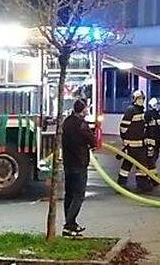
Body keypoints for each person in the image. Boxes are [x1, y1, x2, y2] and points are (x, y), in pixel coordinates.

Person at [60, 98, 96, 237]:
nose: (87, 110)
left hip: (68, 163)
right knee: (78, 195)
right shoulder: (81, 124)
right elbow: (92, 140)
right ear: (82, 110)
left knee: (69, 194)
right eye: (86, 108)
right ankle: (69, 224)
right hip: (79, 164)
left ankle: (70, 223)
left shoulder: (67, 122)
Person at [117, 89, 148, 189]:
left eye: (142, 98)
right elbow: (123, 127)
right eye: (139, 98)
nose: (141, 100)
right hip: (131, 145)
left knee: (141, 166)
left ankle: (141, 184)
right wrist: (125, 141)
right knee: (127, 165)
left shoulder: (141, 110)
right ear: (134, 99)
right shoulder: (131, 110)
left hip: (140, 145)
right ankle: (121, 183)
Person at [143, 97, 160, 186]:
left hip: (157, 142)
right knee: (150, 161)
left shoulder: (159, 115)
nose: (158, 107)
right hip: (150, 142)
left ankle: (150, 177)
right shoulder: (147, 115)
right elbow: (144, 129)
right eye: (157, 105)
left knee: (154, 159)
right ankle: (152, 179)